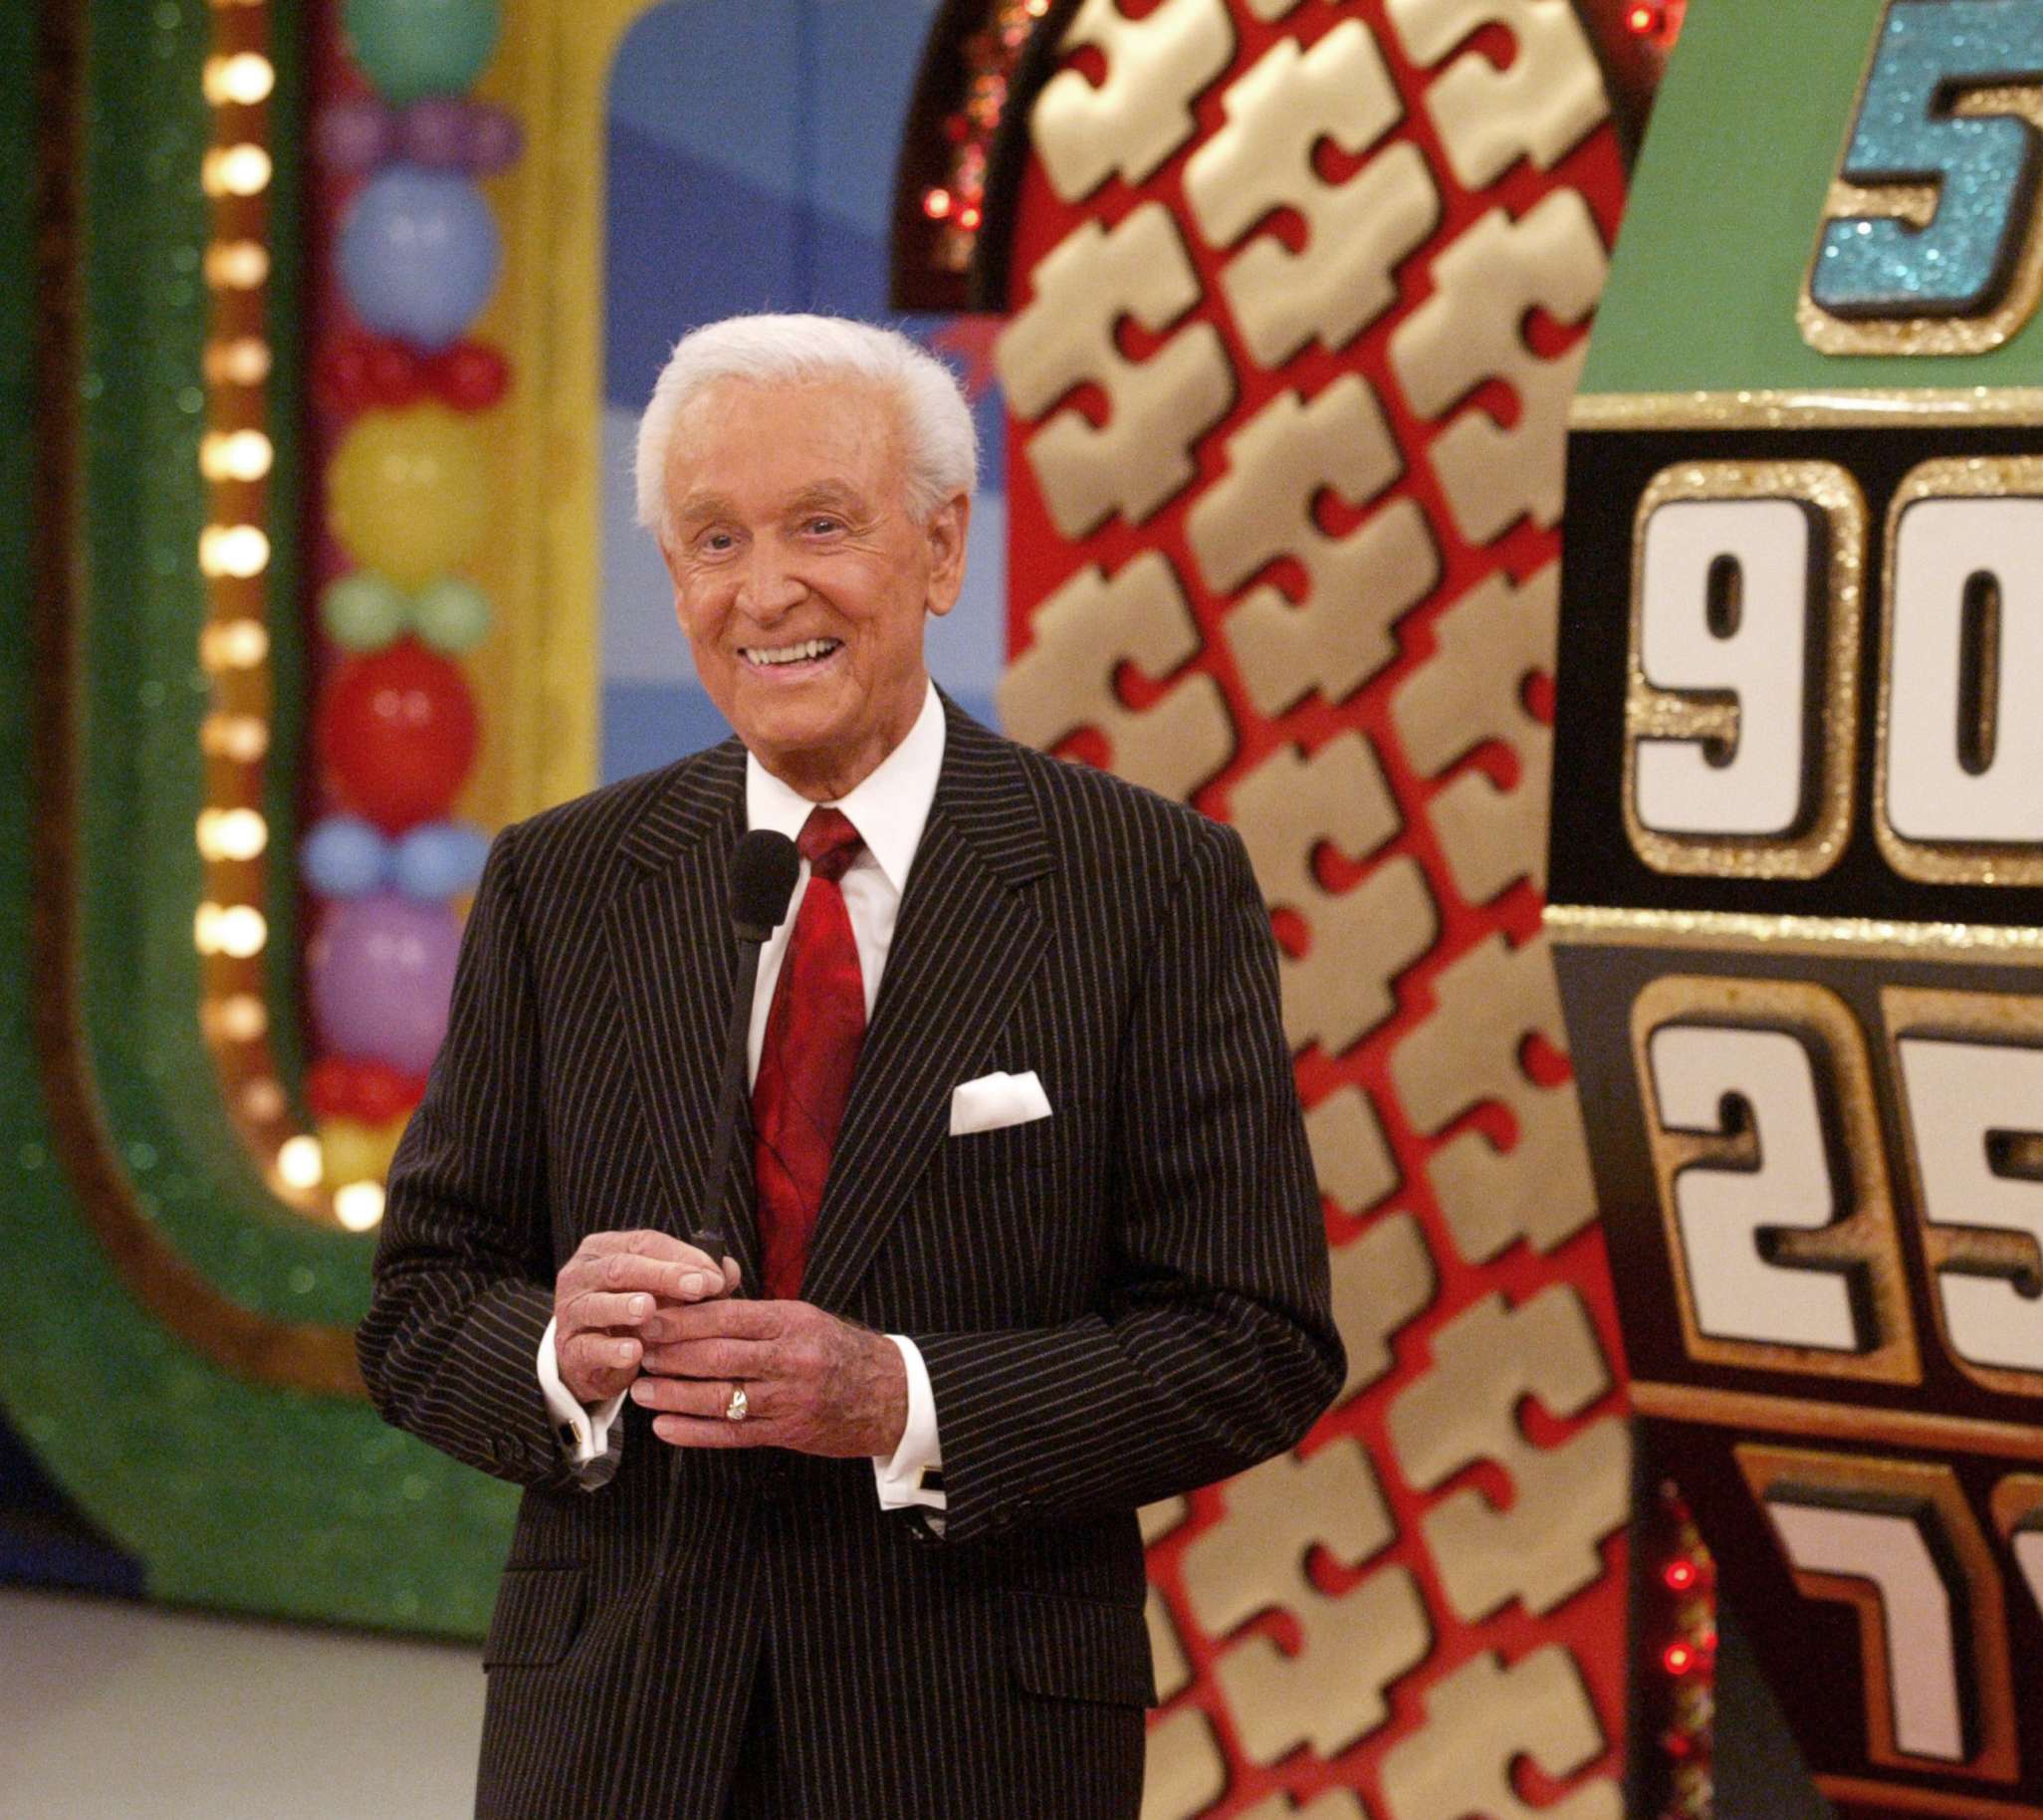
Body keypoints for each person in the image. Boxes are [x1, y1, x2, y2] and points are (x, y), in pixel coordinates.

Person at [357, 312, 1342, 1818]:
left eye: (824, 524)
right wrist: (566, 1356)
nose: (767, 592)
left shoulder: (1145, 884)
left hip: (968, 1730)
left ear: (943, 551)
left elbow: (1253, 1341)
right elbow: (422, 1305)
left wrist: (902, 1397)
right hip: (614, 1728)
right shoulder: (565, 883)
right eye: (713, 540)